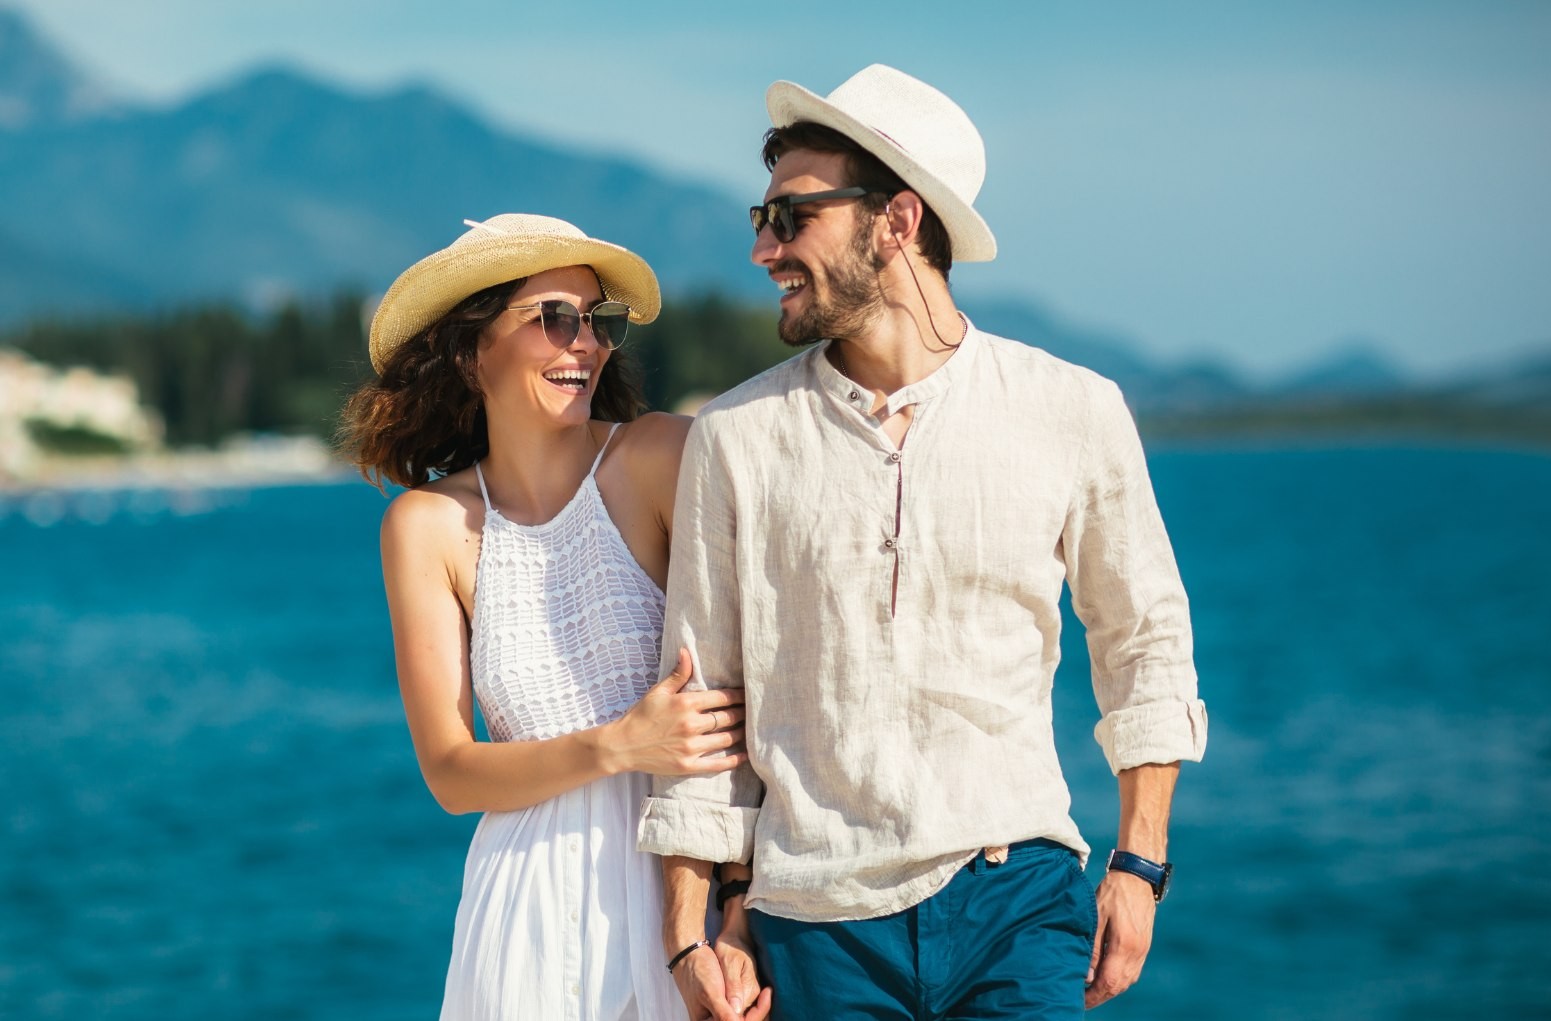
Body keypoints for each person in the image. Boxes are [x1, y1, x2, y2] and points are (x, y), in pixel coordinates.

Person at [637, 66, 1209, 1021]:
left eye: (789, 217)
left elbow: (1145, 640)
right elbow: (706, 699)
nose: (760, 247)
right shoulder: (736, 436)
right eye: (761, 216)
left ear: (895, 222)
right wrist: (695, 931)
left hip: (1017, 899)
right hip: (811, 923)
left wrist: (1139, 866)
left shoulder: (1069, 409)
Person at [338, 213, 761, 1020]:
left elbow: (764, 669)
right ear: (470, 350)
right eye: (554, 319)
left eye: (599, 322)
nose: (587, 344)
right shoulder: (425, 525)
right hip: (520, 909)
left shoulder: (658, 456)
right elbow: (451, 772)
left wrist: (736, 910)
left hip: (682, 891)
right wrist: (617, 744)